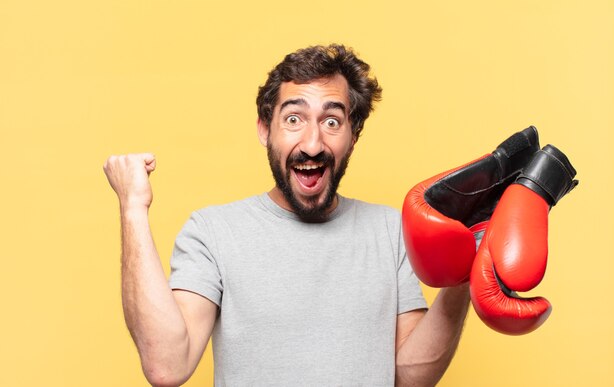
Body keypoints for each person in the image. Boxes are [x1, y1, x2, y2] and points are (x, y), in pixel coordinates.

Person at [104, 44, 470, 387]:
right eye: (293, 118)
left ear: (353, 135)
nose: (312, 144)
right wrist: (133, 207)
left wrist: (465, 271)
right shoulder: (213, 232)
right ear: (266, 129)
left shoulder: (392, 232)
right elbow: (168, 365)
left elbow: (410, 376)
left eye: (332, 122)